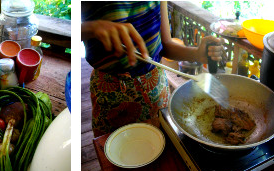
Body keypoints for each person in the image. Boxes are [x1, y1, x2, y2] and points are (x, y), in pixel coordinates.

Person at [82, 1, 223, 134]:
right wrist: (92, 28)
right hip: (110, 94)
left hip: (155, 90)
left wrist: (197, 54)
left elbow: (165, 45)